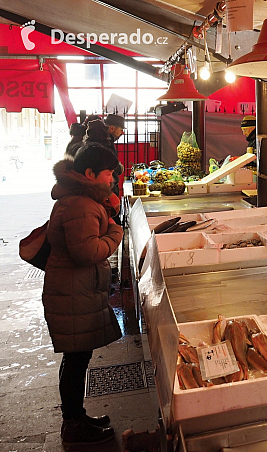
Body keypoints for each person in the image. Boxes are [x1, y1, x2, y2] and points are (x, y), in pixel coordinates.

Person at [43, 142, 124, 446]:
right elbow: (87, 251)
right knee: (76, 359)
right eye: (107, 174)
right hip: (71, 291)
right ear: (90, 174)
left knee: (77, 357)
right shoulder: (80, 205)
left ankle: (76, 416)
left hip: (73, 289)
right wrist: (115, 232)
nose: (111, 180)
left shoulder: (80, 198)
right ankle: (73, 424)